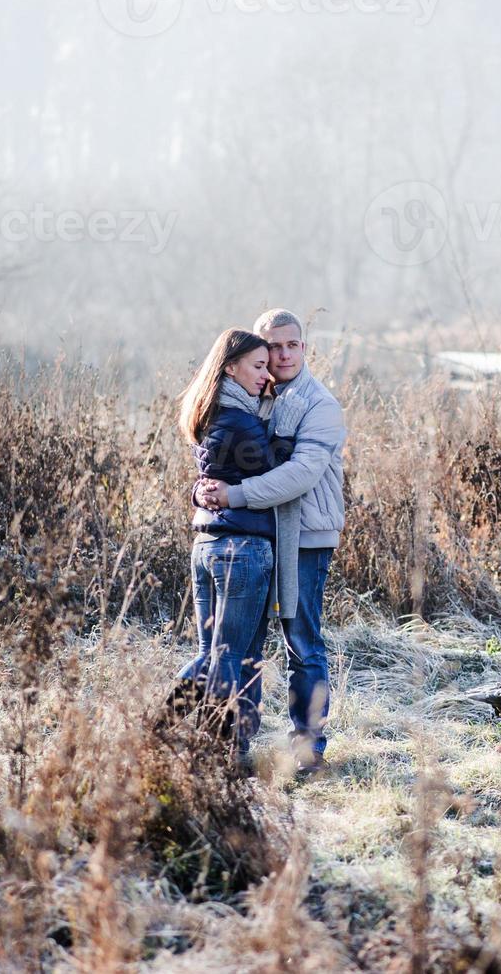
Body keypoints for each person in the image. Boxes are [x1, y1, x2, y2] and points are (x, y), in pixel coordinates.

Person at [195, 308, 346, 774]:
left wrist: (234, 494)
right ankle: (234, 743)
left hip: (304, 539)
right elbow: (219, 456)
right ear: (258, 351)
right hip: (257, 537)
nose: (282, 355)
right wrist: (202, 490)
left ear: (304, 348)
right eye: (272, 347)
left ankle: (308, 749)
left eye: (291, 345)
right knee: (246, 644)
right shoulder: (254, 393)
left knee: (302, 641)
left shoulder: (320, 405)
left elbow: (300, 475)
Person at [168, 328, 277, 757]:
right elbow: (275, 470)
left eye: (267, 366)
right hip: (242, 550)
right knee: (229, 657)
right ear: (230, 367)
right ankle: (214, 751)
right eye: (257, 365)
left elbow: (211, 480)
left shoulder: (213, 413)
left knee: (211, 652)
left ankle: (161, 730)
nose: (265, 375)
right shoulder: (241, 422)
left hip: (208, 544)